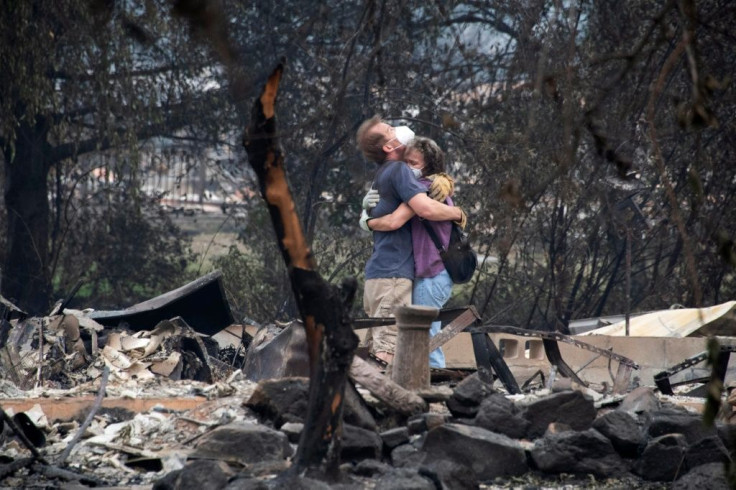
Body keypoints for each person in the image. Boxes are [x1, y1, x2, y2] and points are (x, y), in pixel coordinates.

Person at [356, 116, 465, 365]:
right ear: (388, 146)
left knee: (402, 337)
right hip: (394, 274)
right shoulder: (399, 173)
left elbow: (403, 214)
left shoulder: (395, 176)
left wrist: (368, 221)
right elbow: (408, 214)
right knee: (394, 342)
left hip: (398, 274)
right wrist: (459, 214)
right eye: (390, 129)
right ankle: (391, 393)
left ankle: (415, 385)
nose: (397, 130)